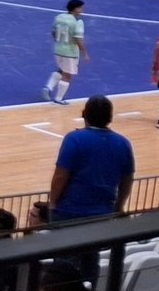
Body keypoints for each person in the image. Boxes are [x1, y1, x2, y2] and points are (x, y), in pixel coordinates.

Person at [50, 94, 135, 225]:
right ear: (110, 117)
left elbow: (60, 176)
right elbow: (127, 180)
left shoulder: (74, 139)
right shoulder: (123, 143)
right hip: (104, 212)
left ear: (84, 114)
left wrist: (53, 203)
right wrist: (119, 206)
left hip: (70, 211)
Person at [44, 0, 89, 105]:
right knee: (67, 75)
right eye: (81, 7)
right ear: (76, 8)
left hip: (58, 49)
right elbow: (78, 39)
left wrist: (58, 42)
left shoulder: (59, 17)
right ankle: (59, 99)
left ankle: (49, 87)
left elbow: (53, 32)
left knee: (61, 69)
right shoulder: (78, 22)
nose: (82, 9)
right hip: (70, 52)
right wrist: (84, 53)